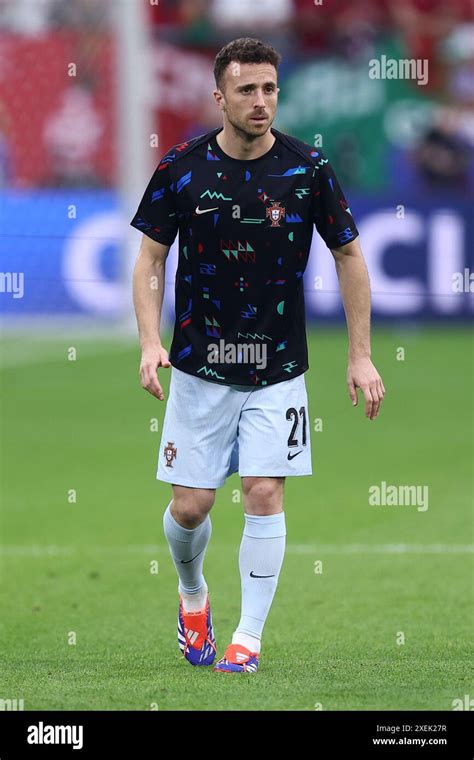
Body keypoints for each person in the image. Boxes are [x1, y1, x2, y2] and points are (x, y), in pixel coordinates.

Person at [131, 37, 385, 675]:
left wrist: (362, 356)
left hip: (278, 368)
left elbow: (350, 255)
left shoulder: (307, 169)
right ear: (219, 97)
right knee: (191, 506)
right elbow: (151, 258)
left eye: (270, 88)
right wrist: (149, 342)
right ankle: (194, 596)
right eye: (247, 90)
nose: (261, 101)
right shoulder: (182, 167)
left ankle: (248, 639)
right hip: (200, 365)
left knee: (264, 492)